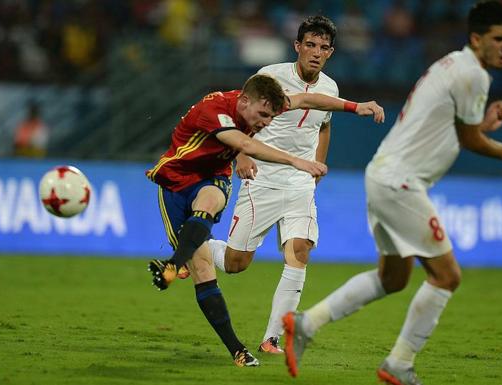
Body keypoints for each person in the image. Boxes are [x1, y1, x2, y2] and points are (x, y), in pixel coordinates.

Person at [282, 2, 502, 384]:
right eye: (498, 38)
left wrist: (482, 124)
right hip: (401, 183)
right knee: (447, 276)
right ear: (476, 39)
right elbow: (468, 139)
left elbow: (447, 131)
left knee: (394, 278)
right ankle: (399, 364)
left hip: (383, 176)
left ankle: (306, 323)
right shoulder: (473, 76)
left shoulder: (451, 64)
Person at [145, 73, 383, 368]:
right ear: (245, 101)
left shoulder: (262, 103)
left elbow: (308, 99)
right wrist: (296, 160)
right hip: (174, 183)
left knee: (210, 201)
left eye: (271, 116)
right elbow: (247, 145)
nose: (266, 122)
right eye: (263, 116)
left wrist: (353, 106)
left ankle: (236, 348)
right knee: (207, 271)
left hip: (212, 178)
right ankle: (185, 261)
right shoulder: (215, 111)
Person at [205, 15, 384, 355]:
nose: (316, 53)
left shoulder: (330, 88)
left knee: (299, 250)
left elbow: (324, 126)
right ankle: (199, 248)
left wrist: (317, 166)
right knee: (235, 264)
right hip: (262, 177)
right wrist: (241, 156)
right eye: (311, 45)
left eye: (324, 48)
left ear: (331, 52)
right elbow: (239, 116)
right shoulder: (269, 76)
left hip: (300, 181)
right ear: (297, 46)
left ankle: (272, 337)